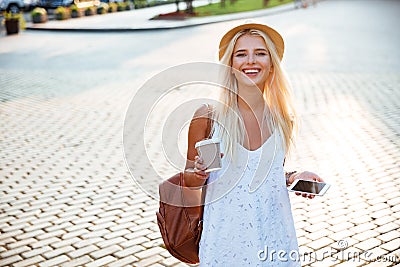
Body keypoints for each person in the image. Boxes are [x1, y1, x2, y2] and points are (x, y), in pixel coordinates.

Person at [183, 22, 324, 266]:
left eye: (260, 53)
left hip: (275, 239)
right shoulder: (208, 117)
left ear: (271, 66)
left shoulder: (282, 119)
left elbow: (269, 174)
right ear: (230, 65)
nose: (251, 61)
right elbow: (187, 182)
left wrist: (294, 177)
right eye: (241, 54)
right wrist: (198, 173)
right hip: (225, 243)